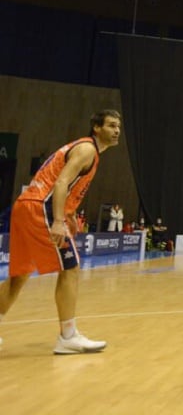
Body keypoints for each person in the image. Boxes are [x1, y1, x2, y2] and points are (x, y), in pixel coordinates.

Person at [0, 110, 121, 354]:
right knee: (70, 267)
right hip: (40, 208)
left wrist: (69, 214)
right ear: (96, 128)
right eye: (110, 125)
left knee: (19, 275)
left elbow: (58, 180)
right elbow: (61, 182)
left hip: (25, 205)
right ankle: (68, 336)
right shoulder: (87, 149)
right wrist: (57, 219)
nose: (116, 130)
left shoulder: (84, 150)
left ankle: (68, 335)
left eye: (118, 126)